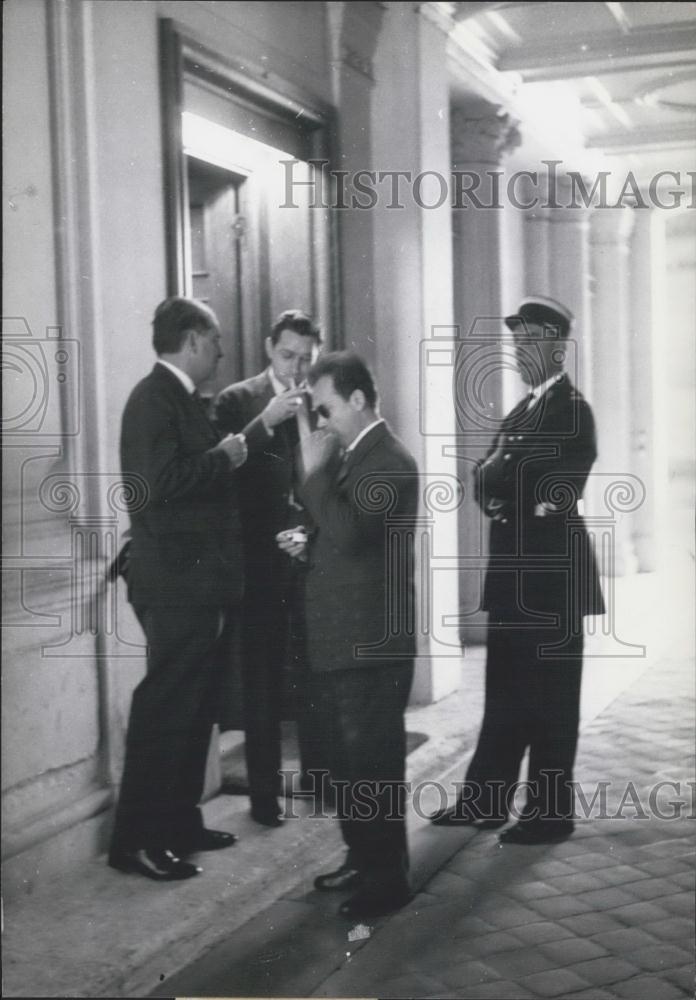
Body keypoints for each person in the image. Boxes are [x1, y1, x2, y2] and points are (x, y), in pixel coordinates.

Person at [430, 295, 605, 844]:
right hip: (515, 574)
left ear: (558, 345)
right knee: (505, 689)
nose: (522, 351)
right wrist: (504, 483)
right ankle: (485, 798)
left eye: (531, 341)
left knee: (551, 699)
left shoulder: (572, 409)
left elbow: (553, 488)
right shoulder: (525, 409)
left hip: (551, 579)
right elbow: (484, 477)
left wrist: (506, 482)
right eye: (517, 342)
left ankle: (550, 815)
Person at [108, 296, 248, 880]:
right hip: (172, 581)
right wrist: (223, 457)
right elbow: (156, 488)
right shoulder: (152, 400)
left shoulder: (178, 400)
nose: (219, 351)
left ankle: (178, 823)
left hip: (193, 579)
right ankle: (135, 841)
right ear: (191, 340)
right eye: (214, 340)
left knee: (192, 708)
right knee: (166, 708)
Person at [278, 351, 419, 919]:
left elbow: (354, 533)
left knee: (374, 764)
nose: (321, 422)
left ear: (359, 400)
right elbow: (338, 533)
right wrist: (306, 540)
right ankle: (363, 857)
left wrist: (311, 476)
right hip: (342, 638)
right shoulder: (353, 454)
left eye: (327, 409)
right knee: (347, 762)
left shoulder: (390, 461)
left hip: (371, 643)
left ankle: (388, 880)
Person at [214, 310, 324, 827]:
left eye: (306, 358)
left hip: (315, 560)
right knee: (260, 682)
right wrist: (267, 422)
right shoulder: (237, 401)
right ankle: (264, 798)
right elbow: (222, 482)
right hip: (260, 566)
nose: (297, 368)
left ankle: (321, 782)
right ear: (268, 348)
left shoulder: (325, 399)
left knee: (316, 673)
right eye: (287, 356)